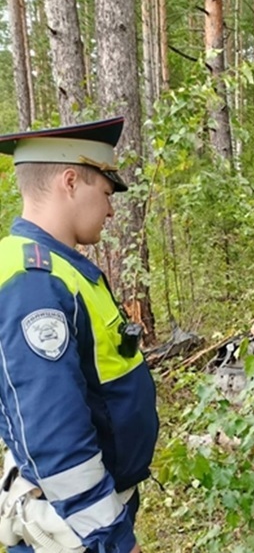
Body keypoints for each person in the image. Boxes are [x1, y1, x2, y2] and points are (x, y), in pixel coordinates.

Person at [0, 117, 159, 552]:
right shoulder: (35, 283)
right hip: (77, 529)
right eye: (106, 194)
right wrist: (111, 537)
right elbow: (54, 431)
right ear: (70, 181)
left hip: (87, 516)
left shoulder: (61, 270)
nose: (110, 210)